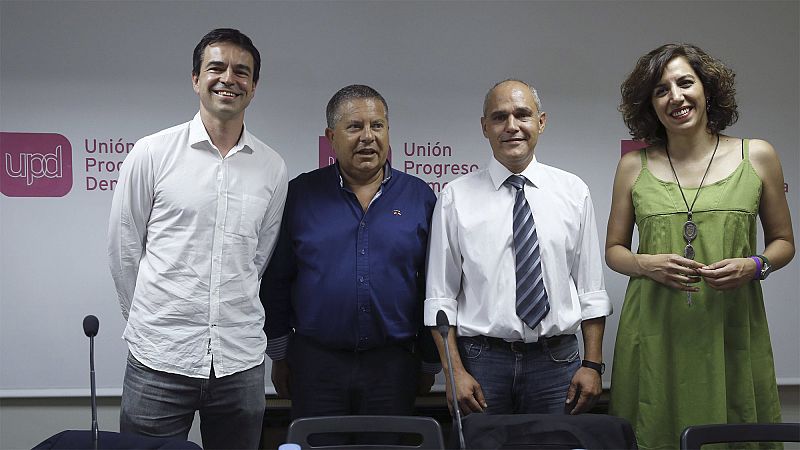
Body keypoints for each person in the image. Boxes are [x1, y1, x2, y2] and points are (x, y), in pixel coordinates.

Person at [606, 43, 794, 449]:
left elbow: (783, 243)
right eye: (660, 90)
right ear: (649, 105)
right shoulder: (632, 165)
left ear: (707, 89)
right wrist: (645, 264)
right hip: (654, 332)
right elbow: (614, 251)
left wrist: (755, 265)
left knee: (734, 431)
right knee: (653, 429)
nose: (675, 96)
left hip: (730, 327)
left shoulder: (758, 156)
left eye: (685, 82)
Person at [107, 28, 288, 449]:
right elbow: (124, 250)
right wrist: (152, 322)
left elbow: (258, 258)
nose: (229, 78)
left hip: (238, 361)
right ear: (195, 79)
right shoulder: (152, 153)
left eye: (242, 71)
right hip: (159, 358)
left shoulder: (272, 168)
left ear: (254, 86)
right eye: (216, 67)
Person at [425, 79, 612, 416]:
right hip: (481, 363)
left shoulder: (573, 192)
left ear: (541, 121)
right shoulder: (455, 197)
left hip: (557, 363)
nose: (511, 126)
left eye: (522, 115)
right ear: (485, 127)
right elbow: (440, 298)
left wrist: (593, 365)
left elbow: (591, 290)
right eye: (499, 117)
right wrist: (454, 373)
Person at [260, 84, 439, 421]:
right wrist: (280, 356)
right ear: (331, 136)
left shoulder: (419, 197)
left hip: (394, 365)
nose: (367, 137)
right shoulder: (300, 195)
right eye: (354, 126)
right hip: (315, 366)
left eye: (377, 125)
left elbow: (433, 286)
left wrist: (429, 361)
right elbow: (278, 280)